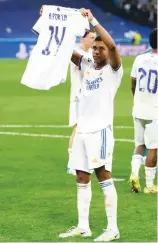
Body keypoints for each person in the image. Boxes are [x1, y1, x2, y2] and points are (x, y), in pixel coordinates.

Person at [59, 8, 123, 242]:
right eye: (94, 47)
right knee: (81, 178)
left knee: (104, 176)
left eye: (100, 48)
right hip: (82, 130)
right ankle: (83, 226)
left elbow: (114, 47)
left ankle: (112, 228)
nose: (96, 51)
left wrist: (93, 20)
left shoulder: (113, 70)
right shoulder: (86, 62)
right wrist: (50, 26)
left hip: (100, 131)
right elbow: (67, 51)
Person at [129, 28, 158, 193]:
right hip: (155, 111)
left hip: (138, 107)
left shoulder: (139, 59)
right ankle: (149, 185)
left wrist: (137, 98)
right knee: (153, 147)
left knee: (139, 144)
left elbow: (133, 82)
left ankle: (134, 174)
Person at [68, 30, 96, 174]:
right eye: (91, 37)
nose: (93, 40)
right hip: (78, 96)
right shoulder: (75, 53)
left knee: (85, 128)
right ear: (83, 38)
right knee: (78, 127)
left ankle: (82, 161)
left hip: (89, 98)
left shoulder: (92, 53)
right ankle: (71, 162)